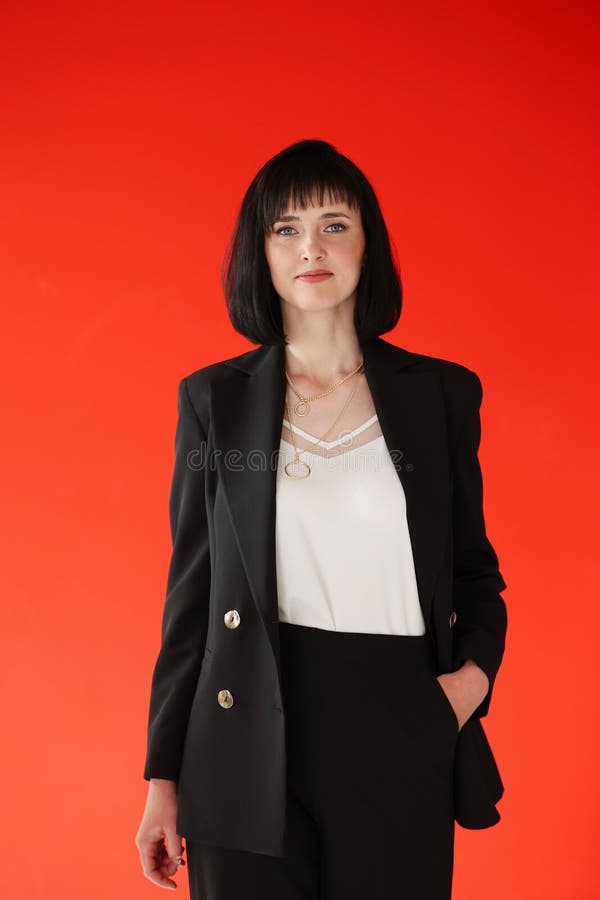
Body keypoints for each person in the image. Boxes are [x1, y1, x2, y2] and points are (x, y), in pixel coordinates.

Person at [135, 139, 508, 899]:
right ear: (261, 253)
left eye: (335, 224)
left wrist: (464, 688)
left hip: (399, 717)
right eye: (286, 228)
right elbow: (193, 600)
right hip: (240, 730)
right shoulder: (215, 402)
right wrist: (161, 778)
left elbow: (472, 570)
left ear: (367, 245)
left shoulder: (439, 395)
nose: (312, 247)